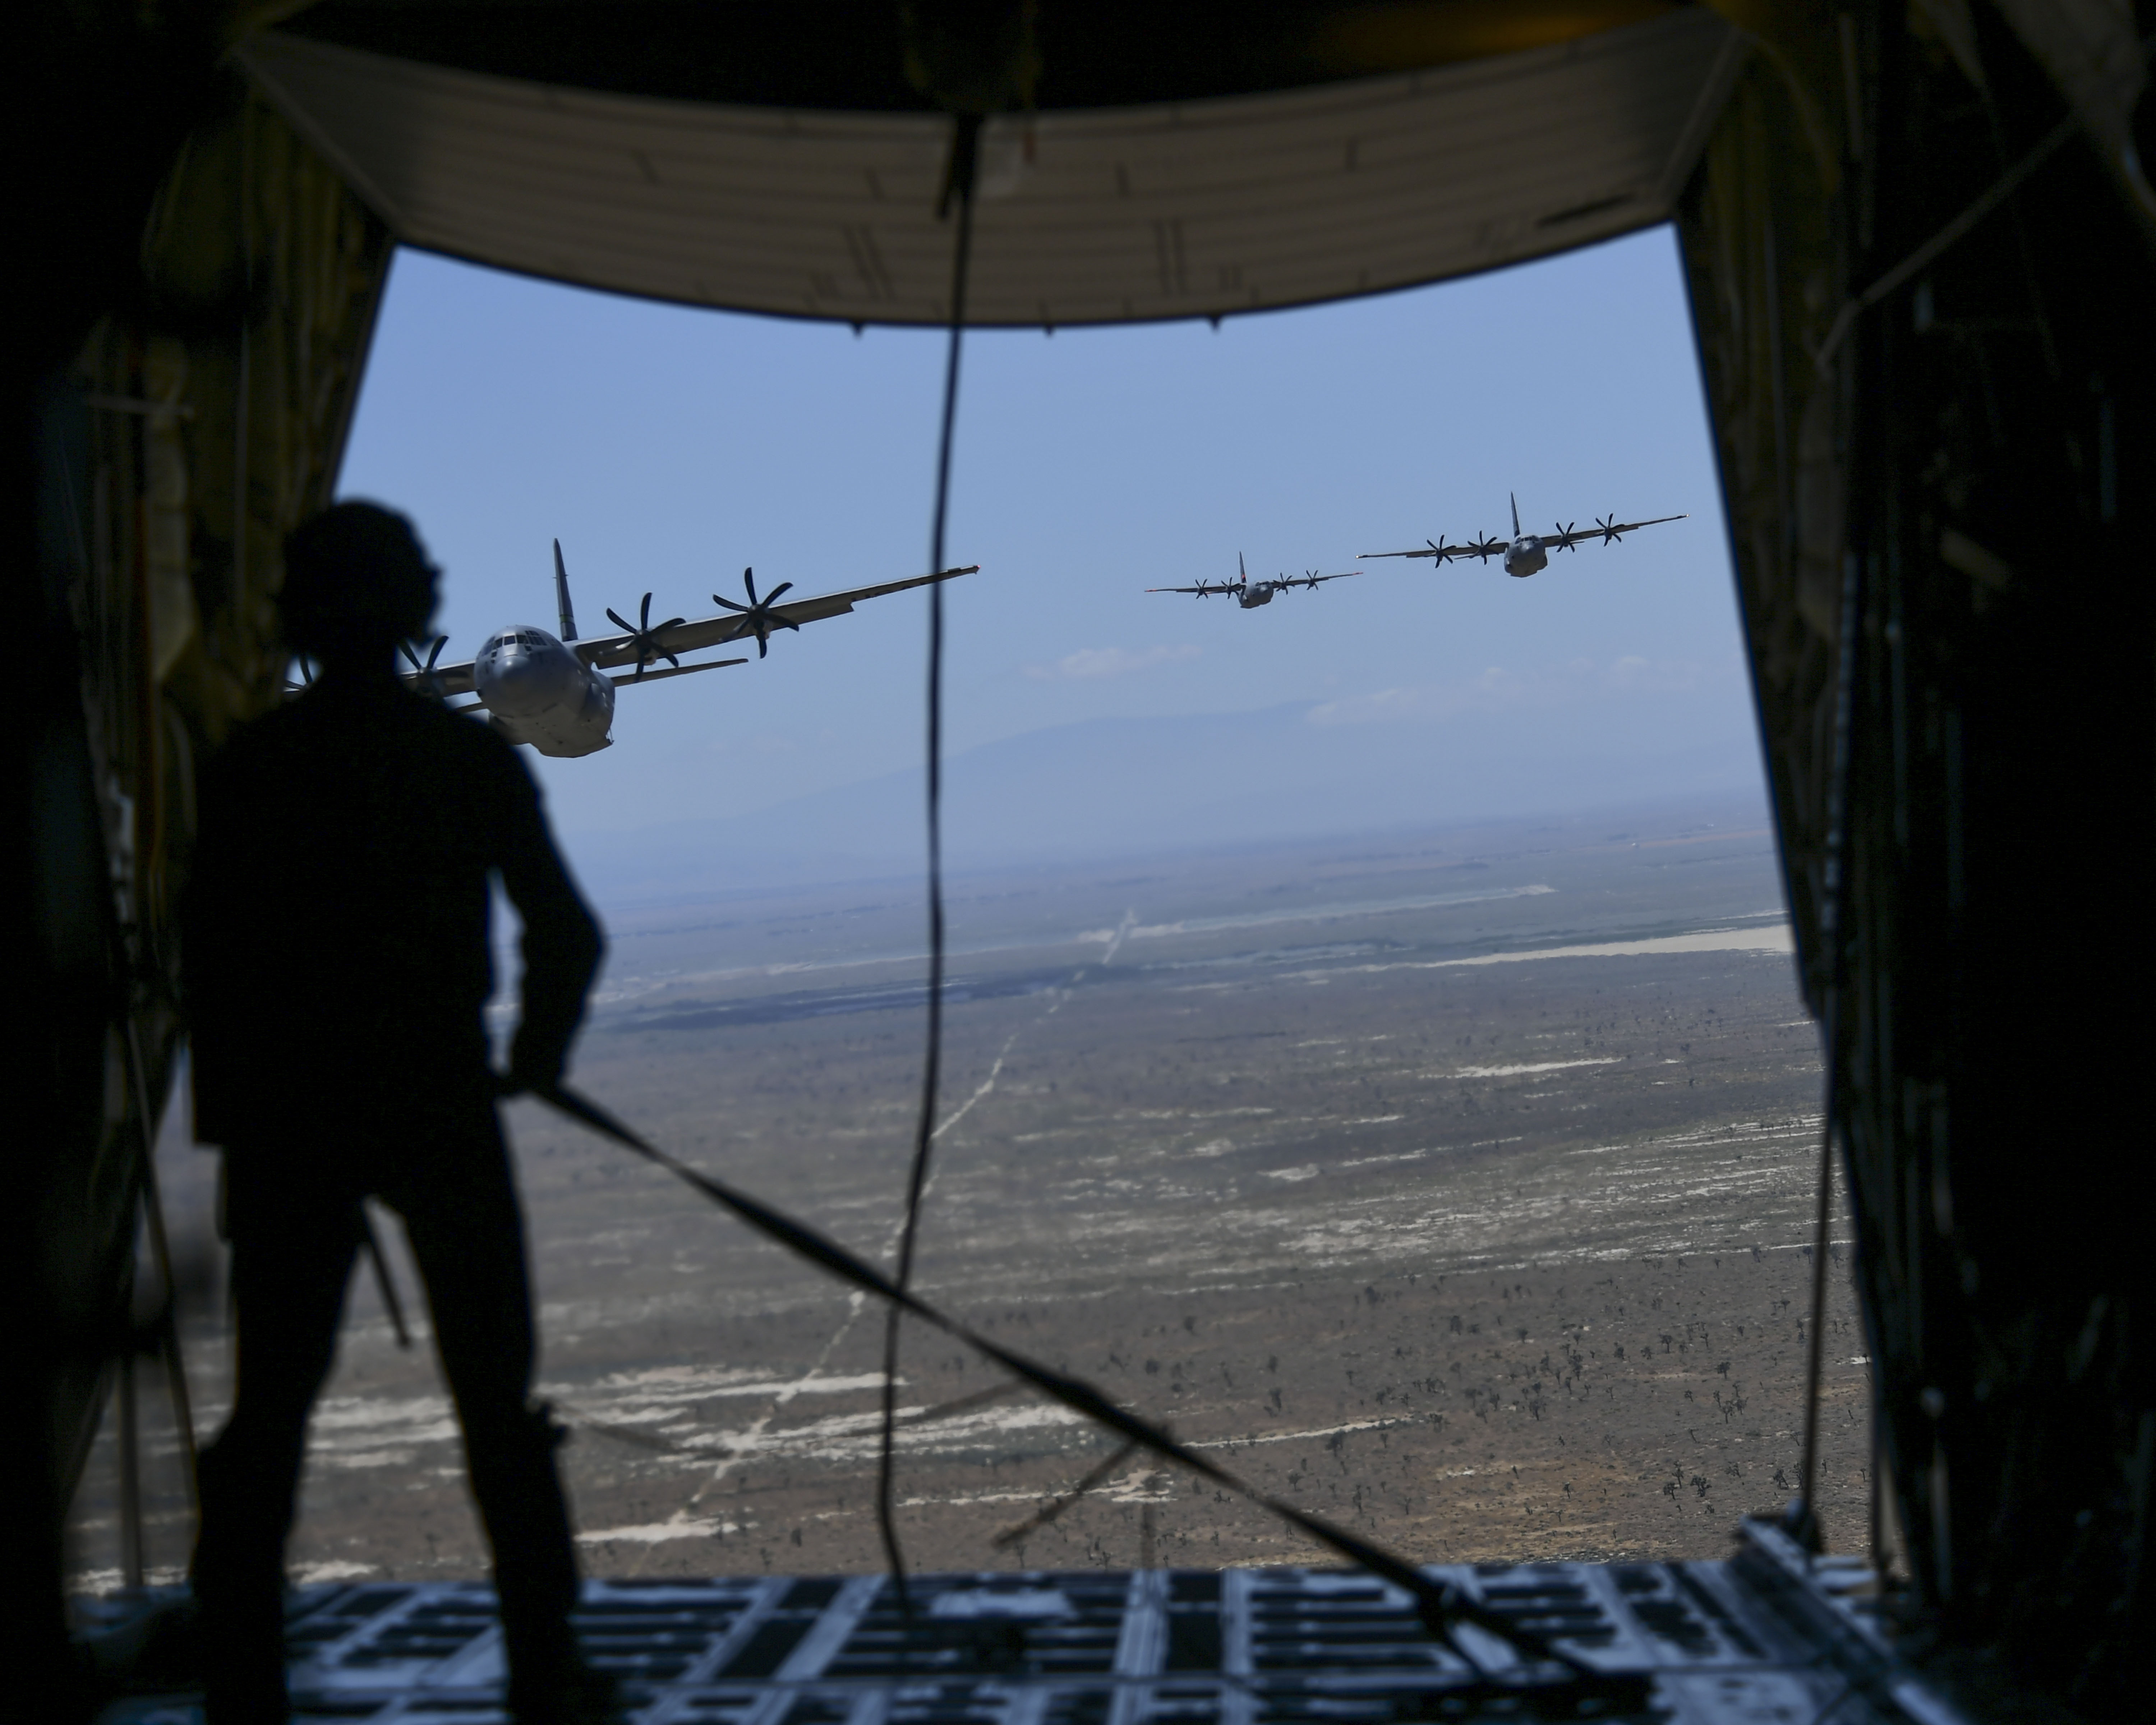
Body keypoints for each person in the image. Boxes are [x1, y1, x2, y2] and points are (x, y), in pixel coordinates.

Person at [181, 501, 611, 1724]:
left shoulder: (250, 769)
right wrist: (526, 1062)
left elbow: (203, 961)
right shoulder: (462, 761)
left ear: (292, 618)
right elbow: (567, 935)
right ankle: (545, 1668)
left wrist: (247, 1124)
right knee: (499, 1410)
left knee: (267, 1417)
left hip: (289, 1130)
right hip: (439, 1109)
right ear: (424, 615)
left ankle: (240, 1681)